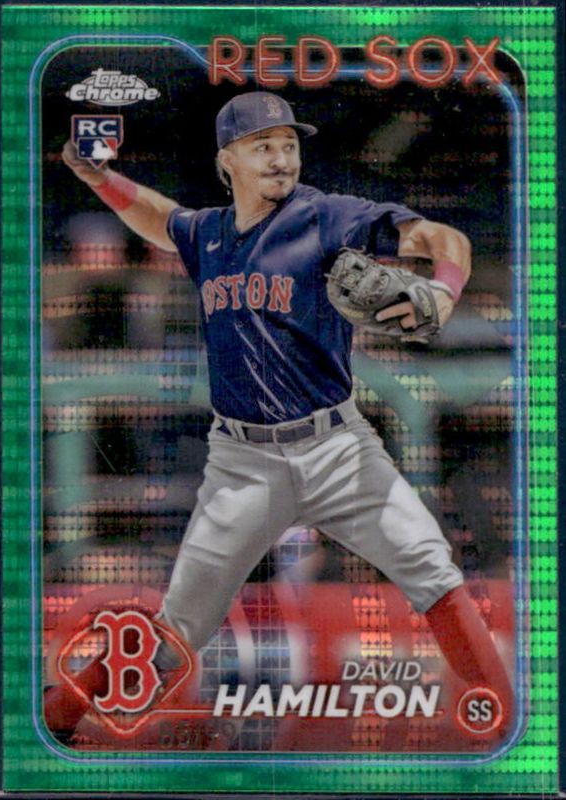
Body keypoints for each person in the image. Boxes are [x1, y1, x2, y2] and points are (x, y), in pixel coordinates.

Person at [45, 91, 513, 742]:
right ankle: (56, 717)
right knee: (179, 628)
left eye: (289, 145)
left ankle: (506, 725)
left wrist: (443, 287)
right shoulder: (207, 234)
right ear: (227, 161)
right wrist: (100, 178)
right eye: (263, 146)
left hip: (336, 447)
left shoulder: (326, 216)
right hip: (243, 461)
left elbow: (443, 238)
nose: (281, 158)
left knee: (434, 572)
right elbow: (160, 219)